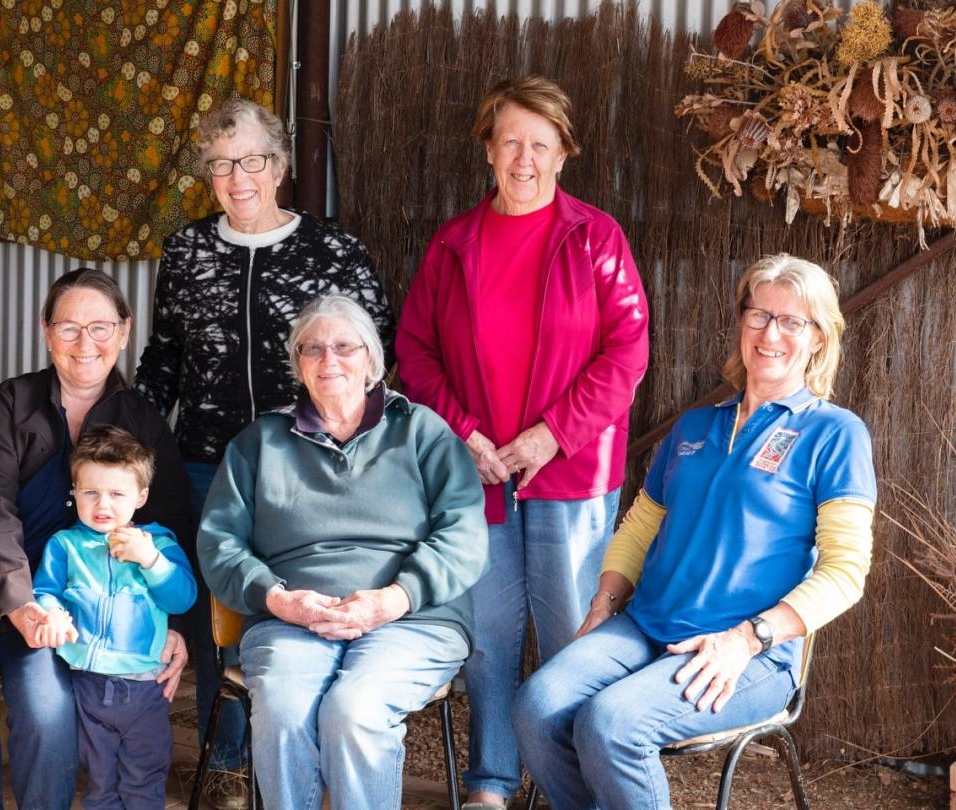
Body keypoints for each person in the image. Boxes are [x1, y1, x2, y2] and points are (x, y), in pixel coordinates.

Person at [511, 254, 877, 810]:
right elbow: (639, 529)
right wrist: (604, 604)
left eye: (791, 321)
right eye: (758, 315)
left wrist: (748, 638)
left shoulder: (834, 434)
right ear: (741, 322)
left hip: (747, 652)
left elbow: (845, 573)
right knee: (537, 707)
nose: (770, 333)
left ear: (819, 338)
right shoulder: (695, 426)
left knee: (611, 725)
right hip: (642, 628)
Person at [395, 75, 649, 808]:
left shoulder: (596, 238)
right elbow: (414, 352)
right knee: (488, 639)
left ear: (564, 154)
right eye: (510, 141)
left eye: (540, 144)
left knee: (573, 638)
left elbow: (627, 353)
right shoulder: (453, 244)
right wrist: (465, 434)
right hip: (477, 475)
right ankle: (491, 783)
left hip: (569, 474)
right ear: (487, 151)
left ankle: (572, 784)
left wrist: (550, 435)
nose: (524, 158)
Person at [133, 98, 394, 807]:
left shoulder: (332, 251)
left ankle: (308, 744)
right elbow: (165, 357)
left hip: (302, 468)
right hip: (205, 462)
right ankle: (226, 757)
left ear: (278, 165)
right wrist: (129, 441)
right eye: (220, 164)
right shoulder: (186, 249)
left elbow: (375, 357)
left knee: (297, 605)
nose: (237, 177)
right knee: (227, 607)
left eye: (251, 160)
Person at [197, 294, 488, 810]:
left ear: (371, 360)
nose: (329, 360)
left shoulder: (421, 431)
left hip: (411, 618)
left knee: (353, 710)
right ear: (298, 365)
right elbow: (220, 543)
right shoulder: (260, 442)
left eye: (344, 347)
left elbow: (464, 534)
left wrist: (392, 600)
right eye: (313, 349)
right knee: (284, 710)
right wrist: (280, 600)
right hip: (292, 619)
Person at [0, 268, 193, 808]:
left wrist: (175, 624)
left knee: (47, 710)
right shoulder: (7, 405)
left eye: (100, 327)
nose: (85, 343)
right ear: (47, 332)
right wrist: (21, 606)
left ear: (124, 330)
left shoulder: (143, 422)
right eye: (69, 328)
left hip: (68, 613)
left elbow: (171, 523)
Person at [33, 425, 197, 809]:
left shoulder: (159, 544)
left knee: (145, 778)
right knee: (99, 783)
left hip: (145, 688)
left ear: (141, 497)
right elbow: (45, 592)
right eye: (90, 492)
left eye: (116, 494)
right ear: (73, 493)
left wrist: (151, 561)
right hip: (87, 686)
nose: (102, 505)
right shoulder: (65, 545)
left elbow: (182, 599)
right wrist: (52, 614)